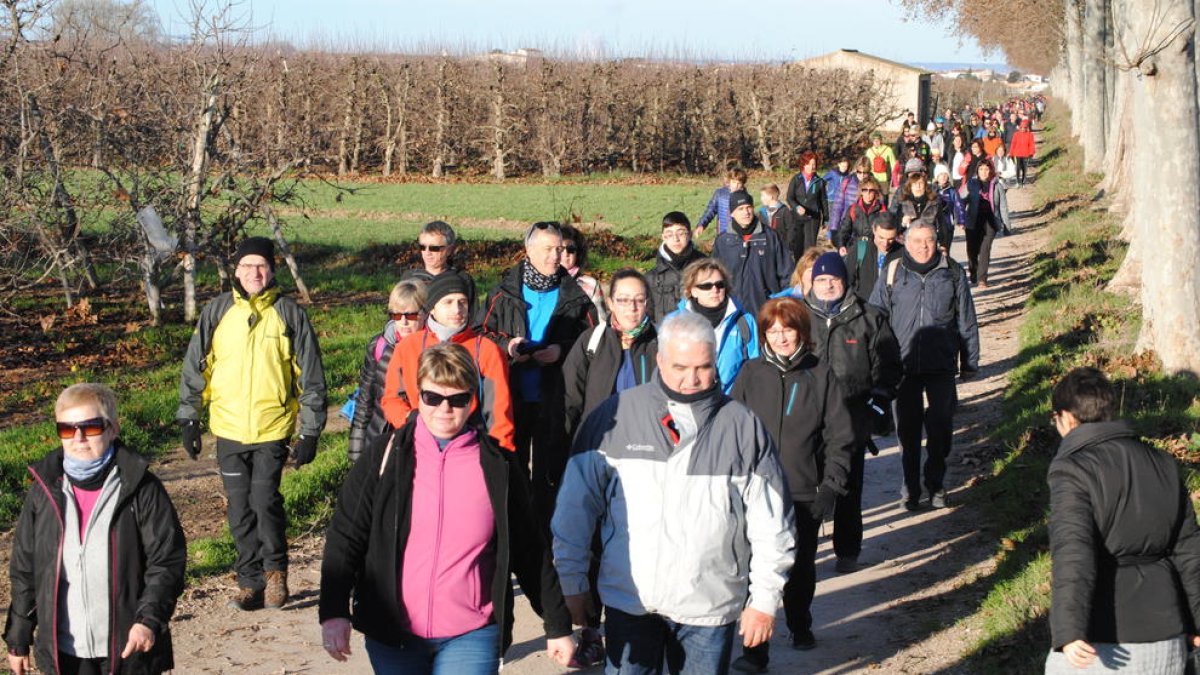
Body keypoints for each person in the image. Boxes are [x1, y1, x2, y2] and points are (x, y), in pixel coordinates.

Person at [552, 312, 795, 675]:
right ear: (660, 360)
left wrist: (764, 600)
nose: (692, 379)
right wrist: (571, 582)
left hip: (709, 605)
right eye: (680, 367)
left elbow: (773, 525)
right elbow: (575, 508)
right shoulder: (613, 416)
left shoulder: (743, 427)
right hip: (629, 600)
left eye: (704, 367)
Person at [319, 343, 576, 674]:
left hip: (472, 633)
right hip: (393, 634)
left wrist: (557, 624)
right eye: (432, 397)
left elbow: (529, 549)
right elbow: (345, 537)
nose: (444, 409)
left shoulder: (498, 464)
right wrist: (334, 612)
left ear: (472, 399)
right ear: (418, 394)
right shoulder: (384, 456)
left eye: (457, 399)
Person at [177, 236, 326, 610]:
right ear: (237, 270)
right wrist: (189, 418)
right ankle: (249, 582)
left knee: (264, 500)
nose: (254, 273)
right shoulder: (217, 311)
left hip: (272, 427)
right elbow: (196, 367)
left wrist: (310, 430)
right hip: (228, 428)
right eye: (247, 266)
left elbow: (310, 376)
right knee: (239, 508)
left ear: (272, 270)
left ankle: (275, 573)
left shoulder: (289, 313)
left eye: (261, 266)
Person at [5, 383, 187, 675]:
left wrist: (148, 621)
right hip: (65, 653)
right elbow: (25, 570)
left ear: (112, 429)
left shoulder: (142, 488)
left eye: (90, 427)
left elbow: (166, 562)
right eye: (67, 429)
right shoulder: (43, 491)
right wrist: (18, 638)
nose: (78, 438)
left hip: (128, 649)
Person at [725, 298, 853, 672]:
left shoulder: (820, 375)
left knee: (799, 568)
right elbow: (731, 429)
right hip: (754, 491)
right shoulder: (751, 373)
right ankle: (755, 651)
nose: (781, 338)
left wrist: (831, 486)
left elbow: (839, 437)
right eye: (773, 331)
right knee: (755, 570)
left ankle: (800, 622)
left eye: (788, 329)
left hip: (802, 490)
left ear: (801, 331)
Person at [1045, 367, 1200, 674]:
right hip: (1167, 636)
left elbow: (1073, 551)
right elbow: (1189, 549)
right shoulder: (1163, 463)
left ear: (1067, 418)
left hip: (1102, 639)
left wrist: (1069, 629)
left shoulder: (1072, 470)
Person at [477, 221, 598, 521]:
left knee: (549, 474)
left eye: (559, 249)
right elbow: (480, 333)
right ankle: (512, 529)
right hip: (510, 395)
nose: (555, 256)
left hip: (555, 397)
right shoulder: (503, 293)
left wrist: (561, 351)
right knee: (511, 469)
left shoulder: (576, 296)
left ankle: (547, 534)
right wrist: (508, 346)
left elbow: (593, 341)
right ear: (528, 251)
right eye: (548, 249)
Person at [802, 254, 902, 574]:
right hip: (807, 420)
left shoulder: (869, 317)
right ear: (812, 283)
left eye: (834, 279)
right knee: (805, 487)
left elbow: (889, 369)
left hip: (851, 419)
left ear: (845, 282)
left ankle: (847, 551)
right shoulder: (798, 317)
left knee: (847, 485)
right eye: (821, 280)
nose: (827, 285)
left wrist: (874, 410)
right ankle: (804, 553)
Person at [869, 221, 979, 511]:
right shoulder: (892, 271)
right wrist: (875, 361)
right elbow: (876, 317)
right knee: (907, 431)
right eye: (917, 241)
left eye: (928, 240)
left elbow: (966, 318)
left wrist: (970, 361)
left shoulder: (952, 272)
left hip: (941, 364)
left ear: (937, 241)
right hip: (902, 365)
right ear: (906, 242)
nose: (923, 246)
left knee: (941, 425)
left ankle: (936, 482)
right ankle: (910, 488)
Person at [382, 274, 515, 450]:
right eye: (448, 302)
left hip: (471, 446)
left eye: (462, 302)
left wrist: (501, 455)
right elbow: (392, 399)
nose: (457, 309)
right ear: (432, 308)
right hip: (419, 443)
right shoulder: (408, 347)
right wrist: (410, 420)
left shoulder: (487, 351)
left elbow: (499, 413)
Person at [563, 269, 659, 439]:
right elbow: (569, 400)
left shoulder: (663, 342)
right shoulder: (591, 340)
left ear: (647, 303)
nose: (632, 307)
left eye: (639, 299)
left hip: (648, 441)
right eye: (623, 300)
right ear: (610, 303)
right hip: (599, 442)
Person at [347, 279, 426, 463]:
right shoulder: (380, 346)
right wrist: (356, 449)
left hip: (416, 440)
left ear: (425, 313)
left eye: (411, 315)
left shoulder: (434, 348)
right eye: (396, 315)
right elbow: (365, 399)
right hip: (380, 437)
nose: (403, 322)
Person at [672, 258, 759, 394]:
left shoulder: (744, 321)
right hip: (689, 398)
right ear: (693, 291)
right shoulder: (675, 322)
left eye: (720, 284)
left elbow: (755, 366)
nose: (715, 290)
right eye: (706, 286)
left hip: (732, 400)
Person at [712, 190, 793, 317]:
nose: (746, 212)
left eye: (749, 207)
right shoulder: (722, 241)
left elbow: (787, 273)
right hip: (733, 311)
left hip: (767, 309)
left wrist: (783, 304)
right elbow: (714, 277)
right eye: (740, 209)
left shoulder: (770, 237)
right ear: (731, 213)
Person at [400, 220, 478, 312]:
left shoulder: (462, 280)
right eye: (422, 247)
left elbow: (474, 316)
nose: (427, 253)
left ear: (449, 250)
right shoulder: (410, 278)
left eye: (434, 248)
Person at [646, 211, 707, 324]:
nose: (676, 239)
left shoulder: (706, 268)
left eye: (681, 233)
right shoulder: (651, 278)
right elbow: (647, 318)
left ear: (690, 234)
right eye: (669, 234)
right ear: (663, 237)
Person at [964, 160, 1010, 287]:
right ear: (977, 171)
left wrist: (1006, 226)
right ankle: (974, 271)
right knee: (972, 250)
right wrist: (960, 217)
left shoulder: (997, 186)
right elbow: (961, 201)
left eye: (986, 169)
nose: (984, 172)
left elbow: (1003, 207)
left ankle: (982, 279)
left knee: (985, 249)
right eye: (981, 169)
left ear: (991, 170)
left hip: (990, 221)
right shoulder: (971, 184)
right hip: (973, 220)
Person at [845, 217, 903, 303]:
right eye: (881, 237)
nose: (885, 243)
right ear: (874, 230)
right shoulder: (861, 248)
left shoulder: (902, 253)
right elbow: (848, 279)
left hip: (890, 306)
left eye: (891, 239)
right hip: (863, 304)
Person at [561, 223, 607, 322]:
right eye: (560, 249)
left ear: (578, 253)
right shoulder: (544, 283)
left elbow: (602, 320)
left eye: (571, 249)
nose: (566, 254)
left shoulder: (590, 284)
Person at [785, 151, 828, 254]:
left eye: (814, 164)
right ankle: (799, 264)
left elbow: (823, 200)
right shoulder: (796, 179)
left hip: (813, 218)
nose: (812, 167)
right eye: (809, 164)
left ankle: (809, 264)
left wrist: (826, 219)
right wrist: (797, 207)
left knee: (810, 248)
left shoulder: (819, 181)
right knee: (798, 246)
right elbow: (789, 198)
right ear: (803, 165)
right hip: (797, 218)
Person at [833, 177, 890, 254]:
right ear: (861, 192)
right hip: (855, 248)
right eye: (865, 190)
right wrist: (841, 246)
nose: (868, 193)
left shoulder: (882, 210)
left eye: (871, 190)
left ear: (876, 192)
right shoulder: (853, 209)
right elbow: (843, 230)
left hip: (874, 250)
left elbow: (886, 233)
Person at [696, 166, 747, 238]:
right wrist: (701, 225)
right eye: (734, 182)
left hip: (738, 235)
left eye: (739, 183)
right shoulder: (720, 193)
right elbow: (710, 210)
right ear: (730, 181)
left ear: (743, 184)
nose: (736, 186)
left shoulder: (745, 197)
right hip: (722, 233)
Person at [825, 158, 863, 245]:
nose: (844, 168)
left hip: (842, 200)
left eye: (846, 166)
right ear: (839, 164)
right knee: (833, 217)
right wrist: (828, 191)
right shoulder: (833, 173)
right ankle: (829, 237)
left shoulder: (848, 176)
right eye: (843, 166)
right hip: (832, 198)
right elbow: (823, 180)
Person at [758, 183, 800, 255]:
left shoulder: (784, 211)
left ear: (770, 197)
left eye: (763, 195)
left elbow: (791, 229)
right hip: (767, 247)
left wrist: (788, 245)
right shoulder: (762, 212)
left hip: (782, 247)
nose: (761, 198)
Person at [933, 164, 966, 253]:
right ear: (937, 177)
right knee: (934, 250)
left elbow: (959, 205)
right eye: (941, 175)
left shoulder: (952, 191)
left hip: (948, 223)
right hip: (934, 224)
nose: (943, 177)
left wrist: (961, 221)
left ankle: (946, 261)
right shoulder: (932, 191)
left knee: (946, 249)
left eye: (945, 174)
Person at [864, 133, 897, 200]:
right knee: (873, 196)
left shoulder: (888, 150)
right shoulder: (869, 151)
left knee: (884, 197)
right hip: (873, 177)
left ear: (881, 140)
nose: (876, 142)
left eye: (878, 140)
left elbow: (893, 164)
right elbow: (866, 165)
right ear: (872, 141)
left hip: (884, 179)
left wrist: (895, 178)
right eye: (874, 140)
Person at [1009, 119, 1036, 186]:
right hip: (1017, 153)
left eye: (1024, 127)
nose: (1023, 129)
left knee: (1024, 168)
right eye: (1022, 127)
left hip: (1026, 154)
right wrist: (1011, 152)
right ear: (1020, 127)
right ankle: (1018, 181)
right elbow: (1013, 144)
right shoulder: (1016, 134)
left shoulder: (1030, 135)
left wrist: (1031, 152)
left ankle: (1023, 181)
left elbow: (1032, 144)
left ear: (1027, 128)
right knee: (1017, 167)